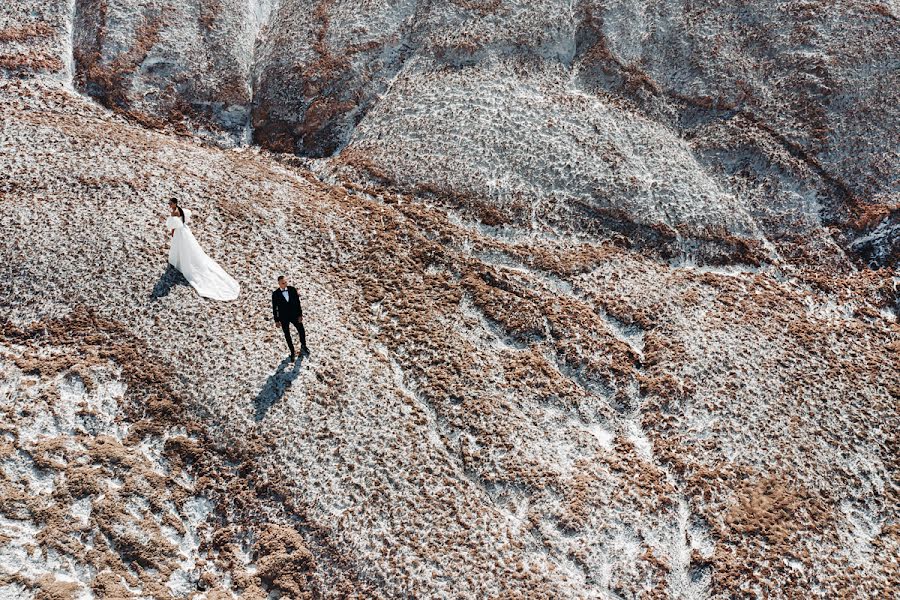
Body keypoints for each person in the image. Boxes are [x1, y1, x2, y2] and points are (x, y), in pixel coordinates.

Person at [165, 199, 240, 301]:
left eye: (170, 203)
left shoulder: (174, 212)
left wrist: (173, 228)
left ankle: (178, 261)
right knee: (186, 246)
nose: (169, 205)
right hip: (184, 230)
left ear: (174, 203)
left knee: (181, 247)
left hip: (180, 232)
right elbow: (185, 217)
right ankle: (178, 260)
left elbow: (173, 225)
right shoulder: (180, 210)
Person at [272, 275, 309, 362]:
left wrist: (300, 315)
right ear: (279, 284)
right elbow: (275, 308)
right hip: (283, 317)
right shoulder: (275, 294)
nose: (285, 284)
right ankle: (292, 352)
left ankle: (303, 345)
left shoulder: (292, 289)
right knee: (287, 335)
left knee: (301, 329)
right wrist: (276, 320)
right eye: (283, 283)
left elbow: (297, 302)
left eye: (285, 282)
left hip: (294, 315)